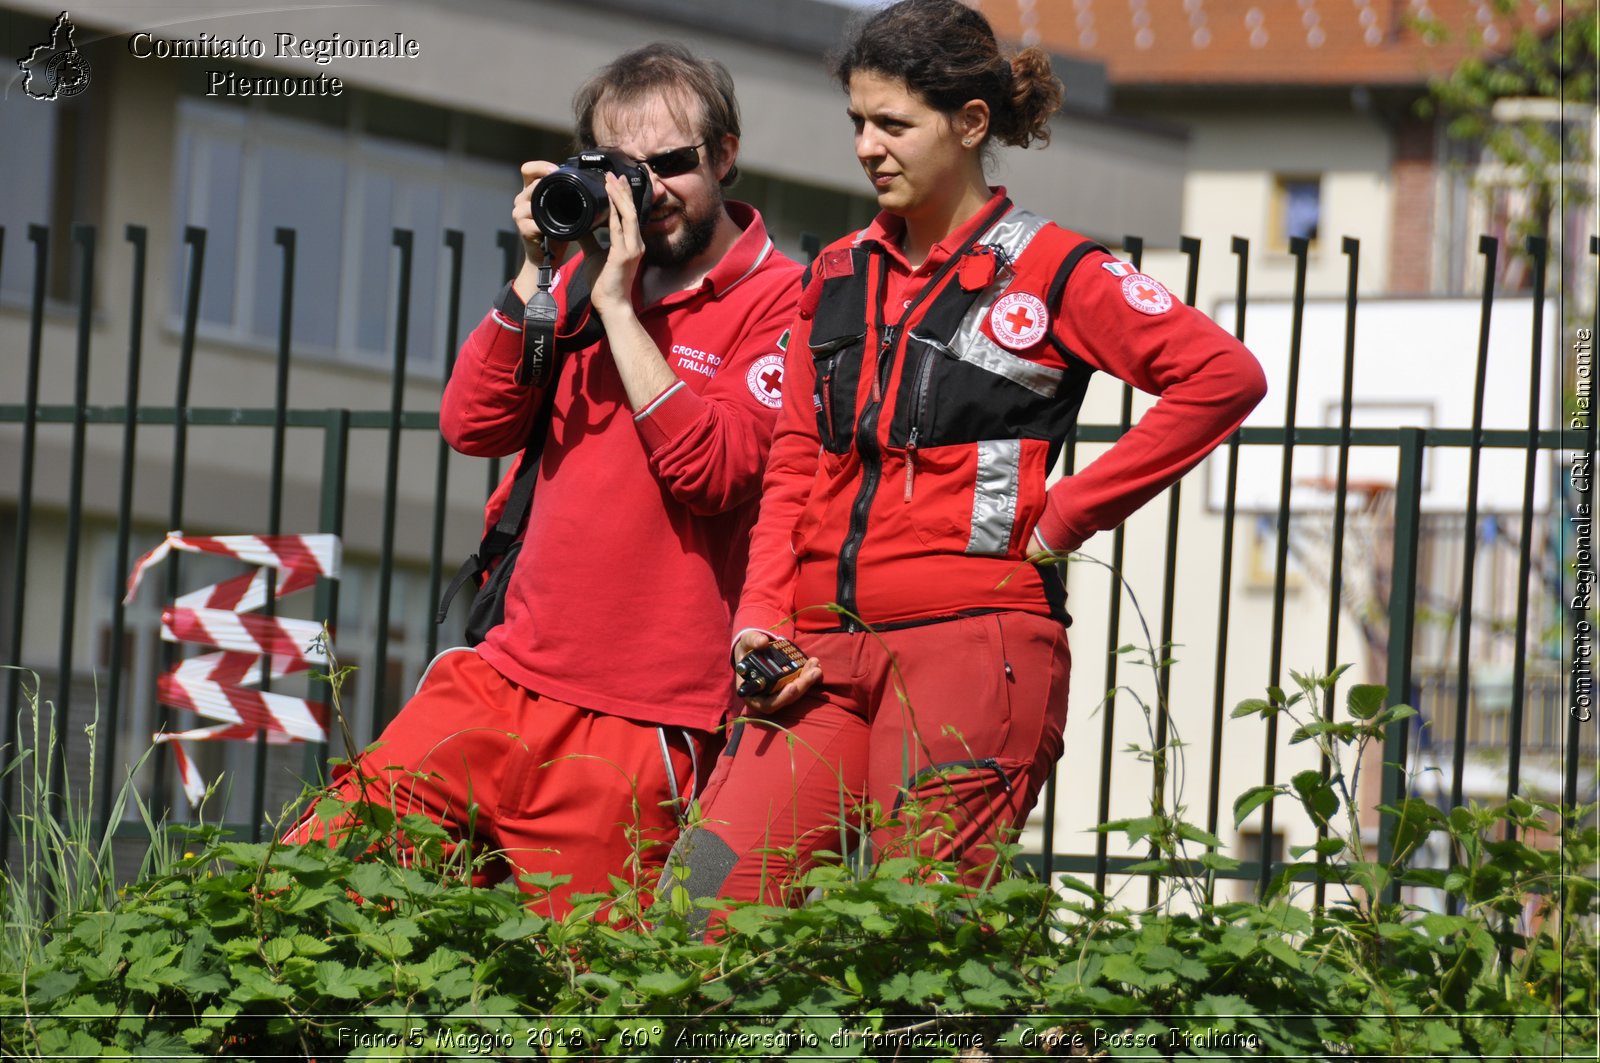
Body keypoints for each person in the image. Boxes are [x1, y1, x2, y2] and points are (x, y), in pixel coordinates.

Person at [662, 0, 1267, 915]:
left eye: (894, 124)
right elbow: (793, 460)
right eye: (858, 122)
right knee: (696, 908)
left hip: (975, 651)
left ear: (970, 123)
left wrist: (1066, 516)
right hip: (814, 656)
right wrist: (757, 618)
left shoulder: (1056, 268)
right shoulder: (831, 274)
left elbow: (1222, 377)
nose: (868, 146)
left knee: (919, 954)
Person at [287, 42, 802, 917]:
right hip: (499, 679)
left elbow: (714, 472)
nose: (651, 193)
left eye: (673, 165)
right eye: (621, 172)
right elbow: (472, 425)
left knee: (577, 991)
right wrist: (537, 268)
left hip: (645, 720)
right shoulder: (574, 280)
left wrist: (619, 308)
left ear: (725, 154)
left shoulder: (786, 298)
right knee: (315, 885)